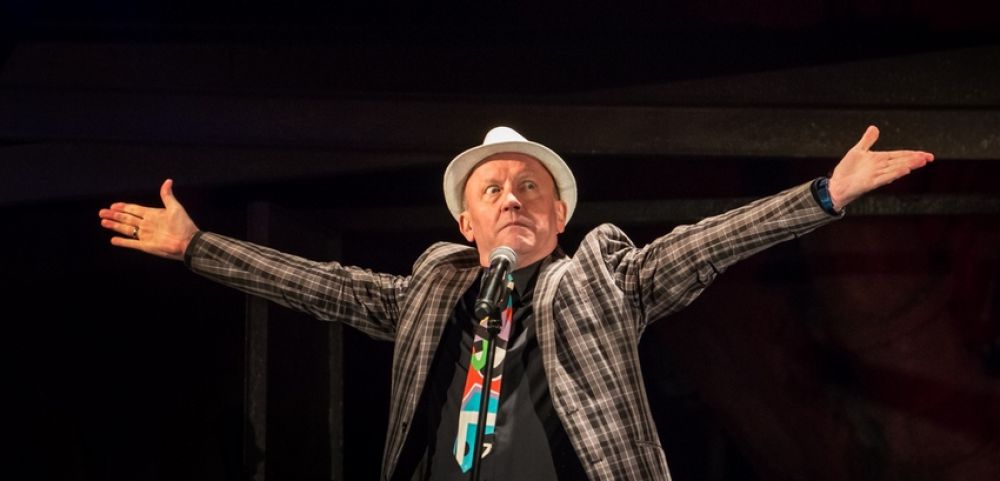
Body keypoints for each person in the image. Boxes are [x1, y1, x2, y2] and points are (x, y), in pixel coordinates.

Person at [98, 126, 933, 480]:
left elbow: (705, 244)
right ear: (466, 223)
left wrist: (824, 194)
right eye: (492, 188)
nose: (512, 197)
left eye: (530, 187)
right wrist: (198, 246)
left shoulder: (601, 276)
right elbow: (326, 286)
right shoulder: (433, 288)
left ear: (559, 217)